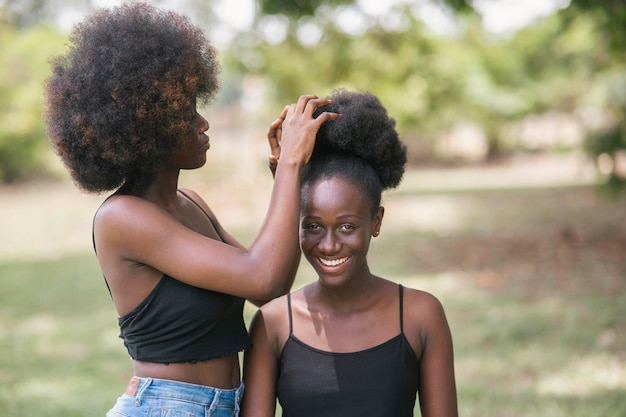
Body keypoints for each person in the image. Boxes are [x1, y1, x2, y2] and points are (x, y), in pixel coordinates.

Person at [43, 2, 337, 416]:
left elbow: (270, 283)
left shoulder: (191, 204)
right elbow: (264, 279)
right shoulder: (122, 217)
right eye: (185, 114)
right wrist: (290, 162)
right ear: (147, 126)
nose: (203, 123)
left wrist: (283, 174)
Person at [241, 89, 458, 417]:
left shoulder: (421, 315)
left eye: (346, 227)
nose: (328, 245)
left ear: (376, 221)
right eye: (313, 226)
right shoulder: (273, 324)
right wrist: (288, 165)